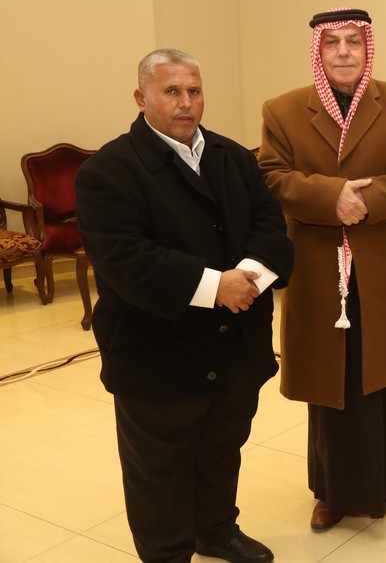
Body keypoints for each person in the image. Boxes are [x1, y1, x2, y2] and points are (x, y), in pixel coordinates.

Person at [75, 49, 293, 563]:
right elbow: (125, 259)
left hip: (235, 343)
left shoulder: (234, 157)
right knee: (159, 468)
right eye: (171, 91)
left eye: (194, 91)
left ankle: (215, 531)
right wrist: (214, 286)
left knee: (222, 448)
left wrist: (248, 279)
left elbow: (270, 226)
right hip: (156, 353)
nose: (186, 102)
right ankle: (168, 552)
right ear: (141, 97)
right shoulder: (108, 171)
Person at [259, 7, 386, 532]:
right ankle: (331, 492)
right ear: (318, 51)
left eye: (353, 41)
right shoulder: (283, 110)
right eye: (332, 42)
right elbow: (270, 177)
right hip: (319, 272)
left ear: (367, 48)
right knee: (330, 382)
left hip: (382, 270)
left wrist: (365, 200)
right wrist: (330, 196)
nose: (343, 51)